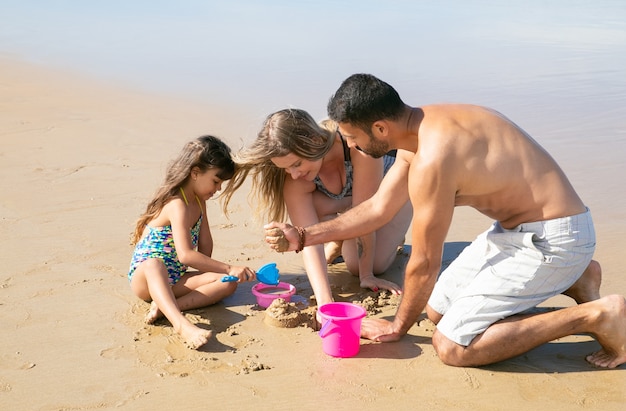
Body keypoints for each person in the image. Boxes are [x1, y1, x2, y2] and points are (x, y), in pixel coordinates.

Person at [265, 73, 626, 369]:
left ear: (379, 128)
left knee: (453, 346)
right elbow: (377, 209)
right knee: (437, 311)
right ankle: (578, 278)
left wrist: (397, 327)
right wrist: (301, 236)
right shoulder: (420, 127)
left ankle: (596, 315)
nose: (350, 145)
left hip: (554, 240)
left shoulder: (433, 159)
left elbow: (424, 262)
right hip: (515, 232)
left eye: (352, 137)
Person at [221, 108, 412, 312]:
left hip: (393, 197)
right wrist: (325, 302)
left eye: (296, 164)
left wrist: (367, 275)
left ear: (314, 140)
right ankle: (341, 233)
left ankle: (375, 238)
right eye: (286, 169)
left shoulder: (356, 147)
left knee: (370, 266)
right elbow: (307, 238)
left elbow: (368, 212)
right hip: (353, 205)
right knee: (331, 216)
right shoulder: (295, 180)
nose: (294, 174)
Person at [128, 135, 256, 349]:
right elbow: (186, 255)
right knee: (155, 264)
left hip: (175, 279)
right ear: (195, 172)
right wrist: (230, 267)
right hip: (146, 280)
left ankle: (167, 306)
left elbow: (205, 247)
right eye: (216, 181)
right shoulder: (176, 204)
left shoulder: (198, 201)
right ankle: (181, 324)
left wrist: (224, 273)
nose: (218, 189)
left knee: (228, 282)